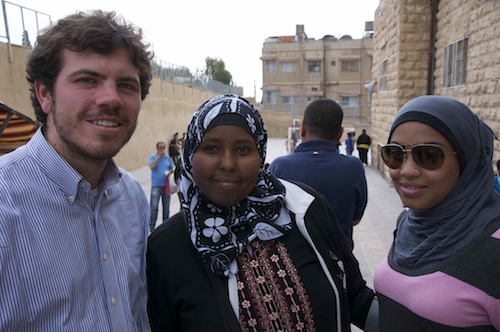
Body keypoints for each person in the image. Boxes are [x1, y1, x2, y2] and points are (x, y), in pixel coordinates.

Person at [147, 95, 377, 331]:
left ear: (260, 155)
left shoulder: (305, 209)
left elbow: (356, 297)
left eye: (243, 149)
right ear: (190, 155)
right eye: (212, 148)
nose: (227, 163)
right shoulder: (166, 248)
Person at [0, 10, 153, 330]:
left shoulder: (132, 196)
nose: (111, 98)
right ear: (45, 94)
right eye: (87, 80)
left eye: (126, 85)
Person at [375, 95, 500, 331]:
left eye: (429, 156)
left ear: (467, 161)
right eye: (395, 154)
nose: (408, 170)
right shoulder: (409, 221)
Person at [269, 98, 368, 249]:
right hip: (339, 265)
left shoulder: (279, 167)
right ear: (340, 133)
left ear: (302, 127)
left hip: (293, 266)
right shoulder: (354, 167)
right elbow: (355, 218)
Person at [148, 141, 174, 232]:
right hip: (156, 185)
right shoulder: (153, 157)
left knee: (166, 207)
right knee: (154, 207)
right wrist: (159, 157)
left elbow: (171, 168)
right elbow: (151, 166)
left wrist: (170, 172)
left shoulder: (167, 158)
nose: (162, 150)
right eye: (160, 148)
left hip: (165, 185)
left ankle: (165, 226)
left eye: (163, 148)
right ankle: (152, 226)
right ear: (157, 149)